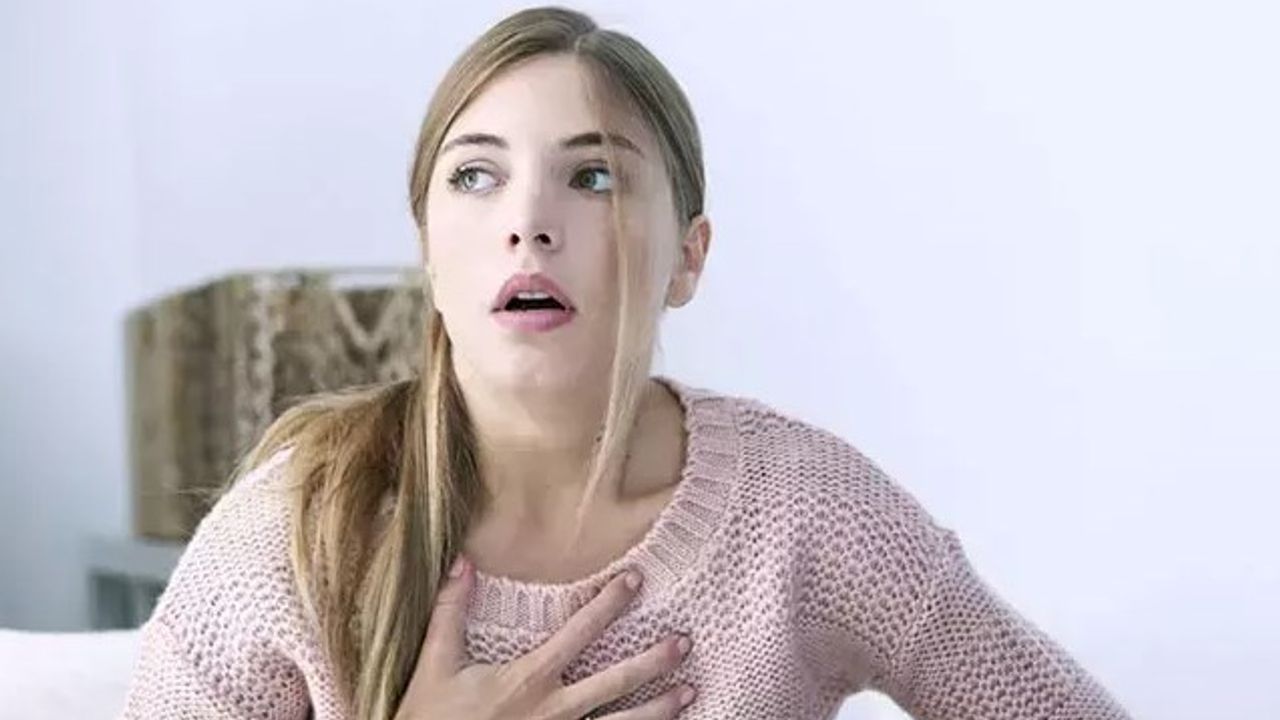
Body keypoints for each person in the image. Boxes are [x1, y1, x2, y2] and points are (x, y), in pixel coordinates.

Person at [119, 6, 1131, 719]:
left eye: (593, 176)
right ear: (429, 251)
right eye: (475, 176)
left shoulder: (809, 516)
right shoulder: (298, 528)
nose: (527, 222)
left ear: (687, 258)